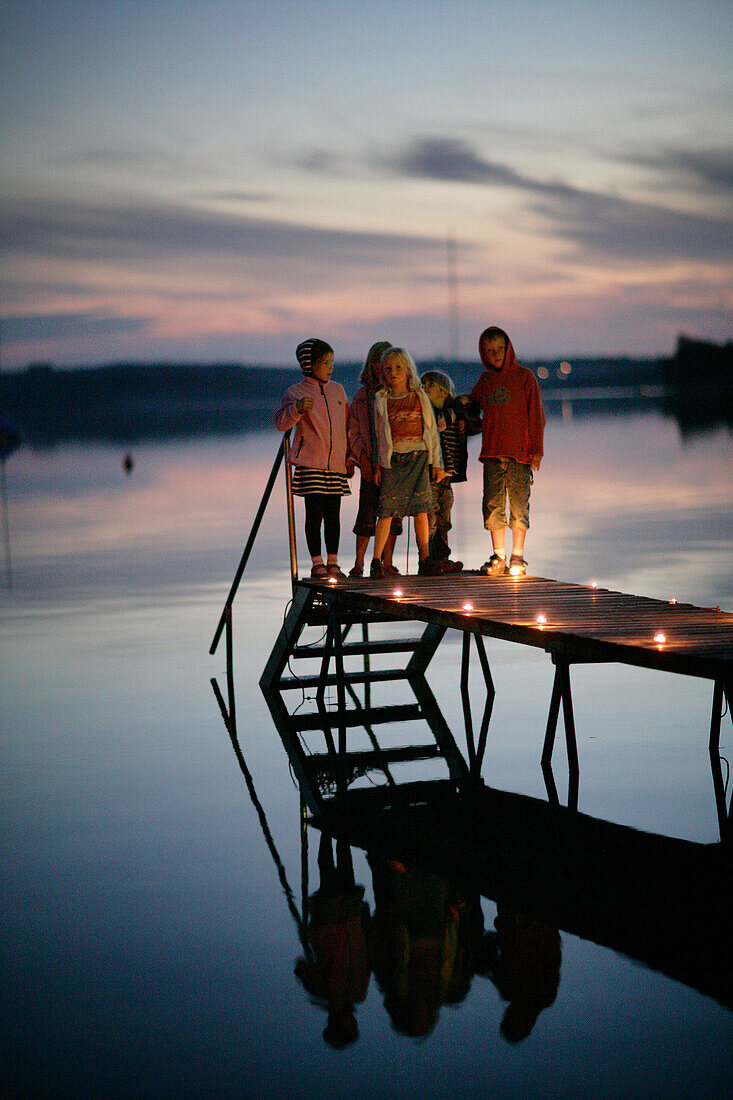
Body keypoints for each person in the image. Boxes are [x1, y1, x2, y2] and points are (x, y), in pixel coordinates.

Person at [468, 326, 544, 576]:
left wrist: (537, 450)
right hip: (491, 453)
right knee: (492, 504)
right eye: (490, 350)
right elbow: (472, 403)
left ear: (508, 347)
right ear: (483, 353)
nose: (496, 354)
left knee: (519, 506)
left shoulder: (524, 377)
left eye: (501, 348)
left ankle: (517, 558)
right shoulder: (485, 381)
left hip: (519, 454)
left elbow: (536, 416)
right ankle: (498, 555)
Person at [274, 338, 352, 579]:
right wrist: (296, 408)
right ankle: (317, 562)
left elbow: (348, 425)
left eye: (331, 362)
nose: (330, 367)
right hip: (311, 464)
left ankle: (333, 562)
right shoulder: (296, 393)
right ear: (310, 365)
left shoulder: (338, 390)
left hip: (336, 465)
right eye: (325, 362)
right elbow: (281, 423)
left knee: (334, 516)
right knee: (314, 515)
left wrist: (350, 457)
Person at [370, 348, 444, 578]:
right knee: (387, 511)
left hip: (418, 457)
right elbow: (377, 435)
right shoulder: (381, 400)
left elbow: (431, 431)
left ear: (408, 370)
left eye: (398, 368)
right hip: (393, 460)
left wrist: (436, 463)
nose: (393, 372)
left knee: (421, 509)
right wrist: (378, 464)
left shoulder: (419, 396)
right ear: (382, 373)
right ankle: (376, 561)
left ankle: (425, 558)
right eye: (388, 369)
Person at [347, 341, 402, 577]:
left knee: (392, 516)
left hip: (395, 467)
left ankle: (386, 562)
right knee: (367, 515)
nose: (386, 370)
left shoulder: (397, 394)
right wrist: (363, 459)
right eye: (382, 365)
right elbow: (354, 431)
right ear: (372, 365)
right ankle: (359, 563)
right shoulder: (362, 397)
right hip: (370, 464)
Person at [421, 369, 464, 572]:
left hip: (447, 479)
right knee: (430, 521)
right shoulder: (429, 413)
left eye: (429, 385)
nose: (424, 388)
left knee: (444, 522)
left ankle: (442, 559)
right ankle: (428, 560)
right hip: (431, 477)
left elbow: (470, 426)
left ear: (444, 391)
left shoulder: (452, 412)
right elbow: (439, 424)